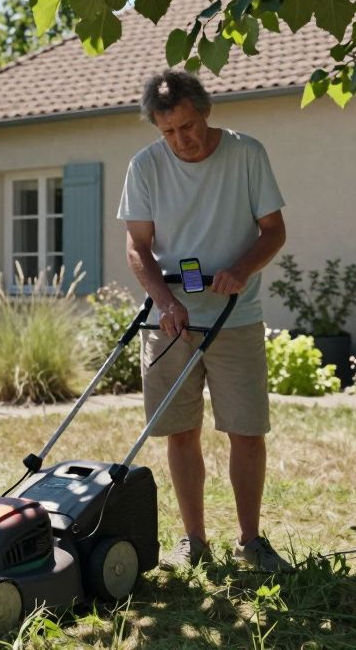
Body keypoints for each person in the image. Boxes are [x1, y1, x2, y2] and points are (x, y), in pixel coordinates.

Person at [117, 69, 290, 572]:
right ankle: (194, 540)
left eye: (187, 127)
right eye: (167, 132)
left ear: (205, 112)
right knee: (179, 431)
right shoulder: (145, 166)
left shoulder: (246, 154)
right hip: (171, 319)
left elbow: (274, 230)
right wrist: (165, 302)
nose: (180, 141)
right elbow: (137, 245)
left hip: (236, 317)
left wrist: (240, 269)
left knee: (246, 431)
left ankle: (251, 541)